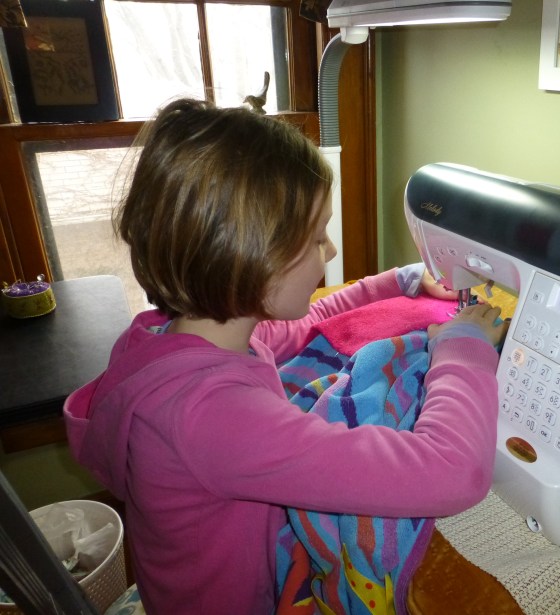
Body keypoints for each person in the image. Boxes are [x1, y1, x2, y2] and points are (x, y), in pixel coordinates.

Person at [63, 99, 507, 614]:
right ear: (254, 256)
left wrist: (398, 282)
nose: (331, 253)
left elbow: (298, 327)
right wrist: (463, 348)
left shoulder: (174, 338)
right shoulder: (213, 417)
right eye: (318, 238)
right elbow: (453, 472)